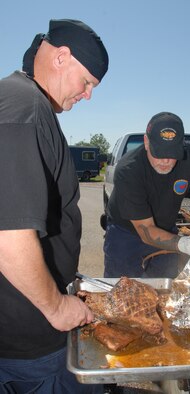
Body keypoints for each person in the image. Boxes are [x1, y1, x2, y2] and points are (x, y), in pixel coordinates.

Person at [0, 19, 108, 393]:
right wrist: (56, 307)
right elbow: (9, 237)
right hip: (30, 339)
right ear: (62, 57)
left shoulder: (22, 102)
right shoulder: (24, 109)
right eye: (88, 82)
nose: (88, 95)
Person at [103, 112, 190, 279]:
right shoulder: (129, 170)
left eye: (172, 154)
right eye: (159, 153)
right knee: (121, 290)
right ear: (146, 142)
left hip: (167, 227)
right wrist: (186, 244)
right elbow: (146, 231)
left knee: (165, 288)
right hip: (127, 233)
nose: (165, 160)